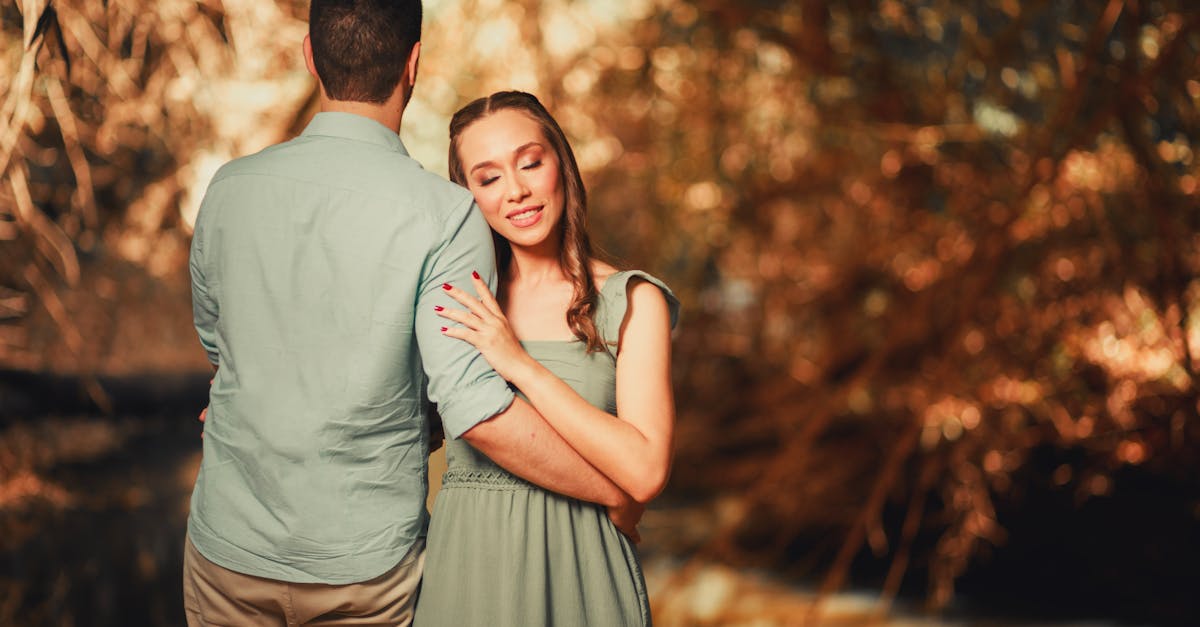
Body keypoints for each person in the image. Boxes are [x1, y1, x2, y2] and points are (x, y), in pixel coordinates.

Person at [183, 3, 640, 625]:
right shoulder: (445, 214)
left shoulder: (229, 188)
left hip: (227, 549)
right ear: (414, 63)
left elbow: (222, 349)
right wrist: (613, 489)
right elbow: (474, 408)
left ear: (311, 58)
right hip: (364, 570)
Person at [412, 91, 680, 626]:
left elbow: (646, 471)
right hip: (467, 569)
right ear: (467, 196)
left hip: (584, 571)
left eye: (530, 163)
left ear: (562, 163)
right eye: (488, 179)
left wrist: (519, 364)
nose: (516, 190)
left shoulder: (632, 301)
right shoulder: (458, 303)